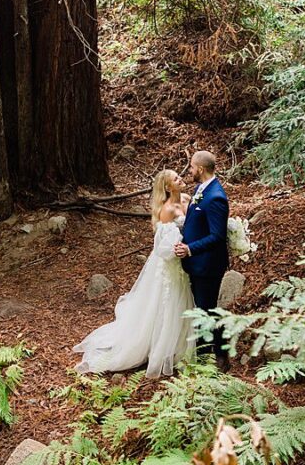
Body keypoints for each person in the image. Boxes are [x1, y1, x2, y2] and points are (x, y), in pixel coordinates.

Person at [72, 170, 196, 378]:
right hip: (170, 266)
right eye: (175, 179)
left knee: (182, 301)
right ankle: (159, 349)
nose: (181, 179)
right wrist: (182, 248)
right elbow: (163, 247)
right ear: (167, 188)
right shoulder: (167, 211)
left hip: (185, 263)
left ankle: (179, 346)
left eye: (179, 176)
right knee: (167, 303)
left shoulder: (186, 199)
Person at [175, 150, 230, 367]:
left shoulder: (217, 197)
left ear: (200, 169)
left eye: (191, 167)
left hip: (208, 264)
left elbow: (217, 236)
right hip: (197, 263)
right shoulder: (200, 189)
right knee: (202, 308)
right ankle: (204, 351)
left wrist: (190, 249)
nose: (189, 170)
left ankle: (220, 355)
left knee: (207, 309)